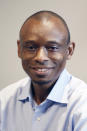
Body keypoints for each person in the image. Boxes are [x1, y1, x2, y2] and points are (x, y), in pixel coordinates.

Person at [0, 10, 87, 131]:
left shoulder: (82, 102)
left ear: (69, 51)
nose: (40, 57)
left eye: (52, 48)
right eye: (31, 47)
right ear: (19, 49)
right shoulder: (5, 100)